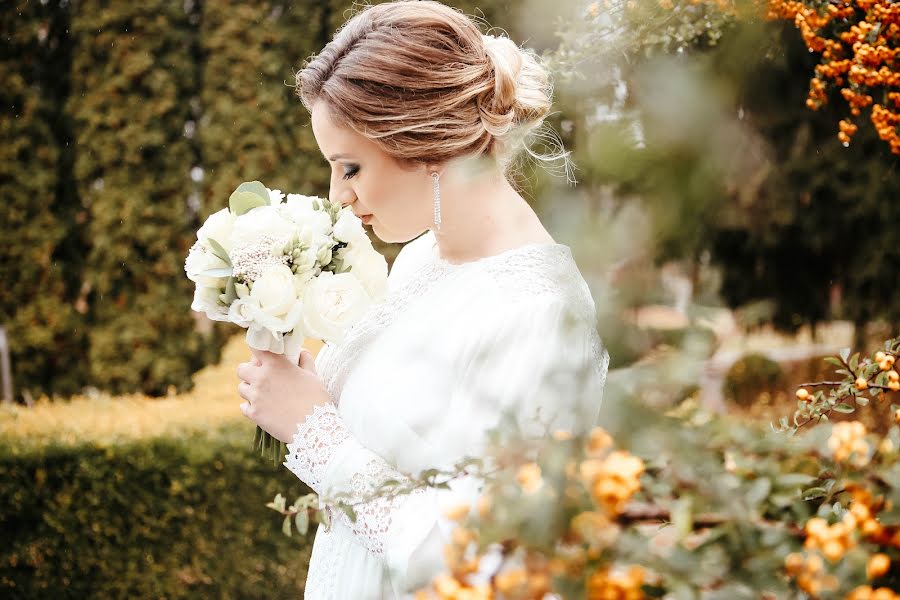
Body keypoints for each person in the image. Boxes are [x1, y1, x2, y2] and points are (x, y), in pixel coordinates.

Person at [235, 1, 609, 597]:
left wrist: (314, 433)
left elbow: (477, 560)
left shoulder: (540, 317)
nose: (338, 197)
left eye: (350, 168)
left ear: (426, 145)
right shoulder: (420, 258)